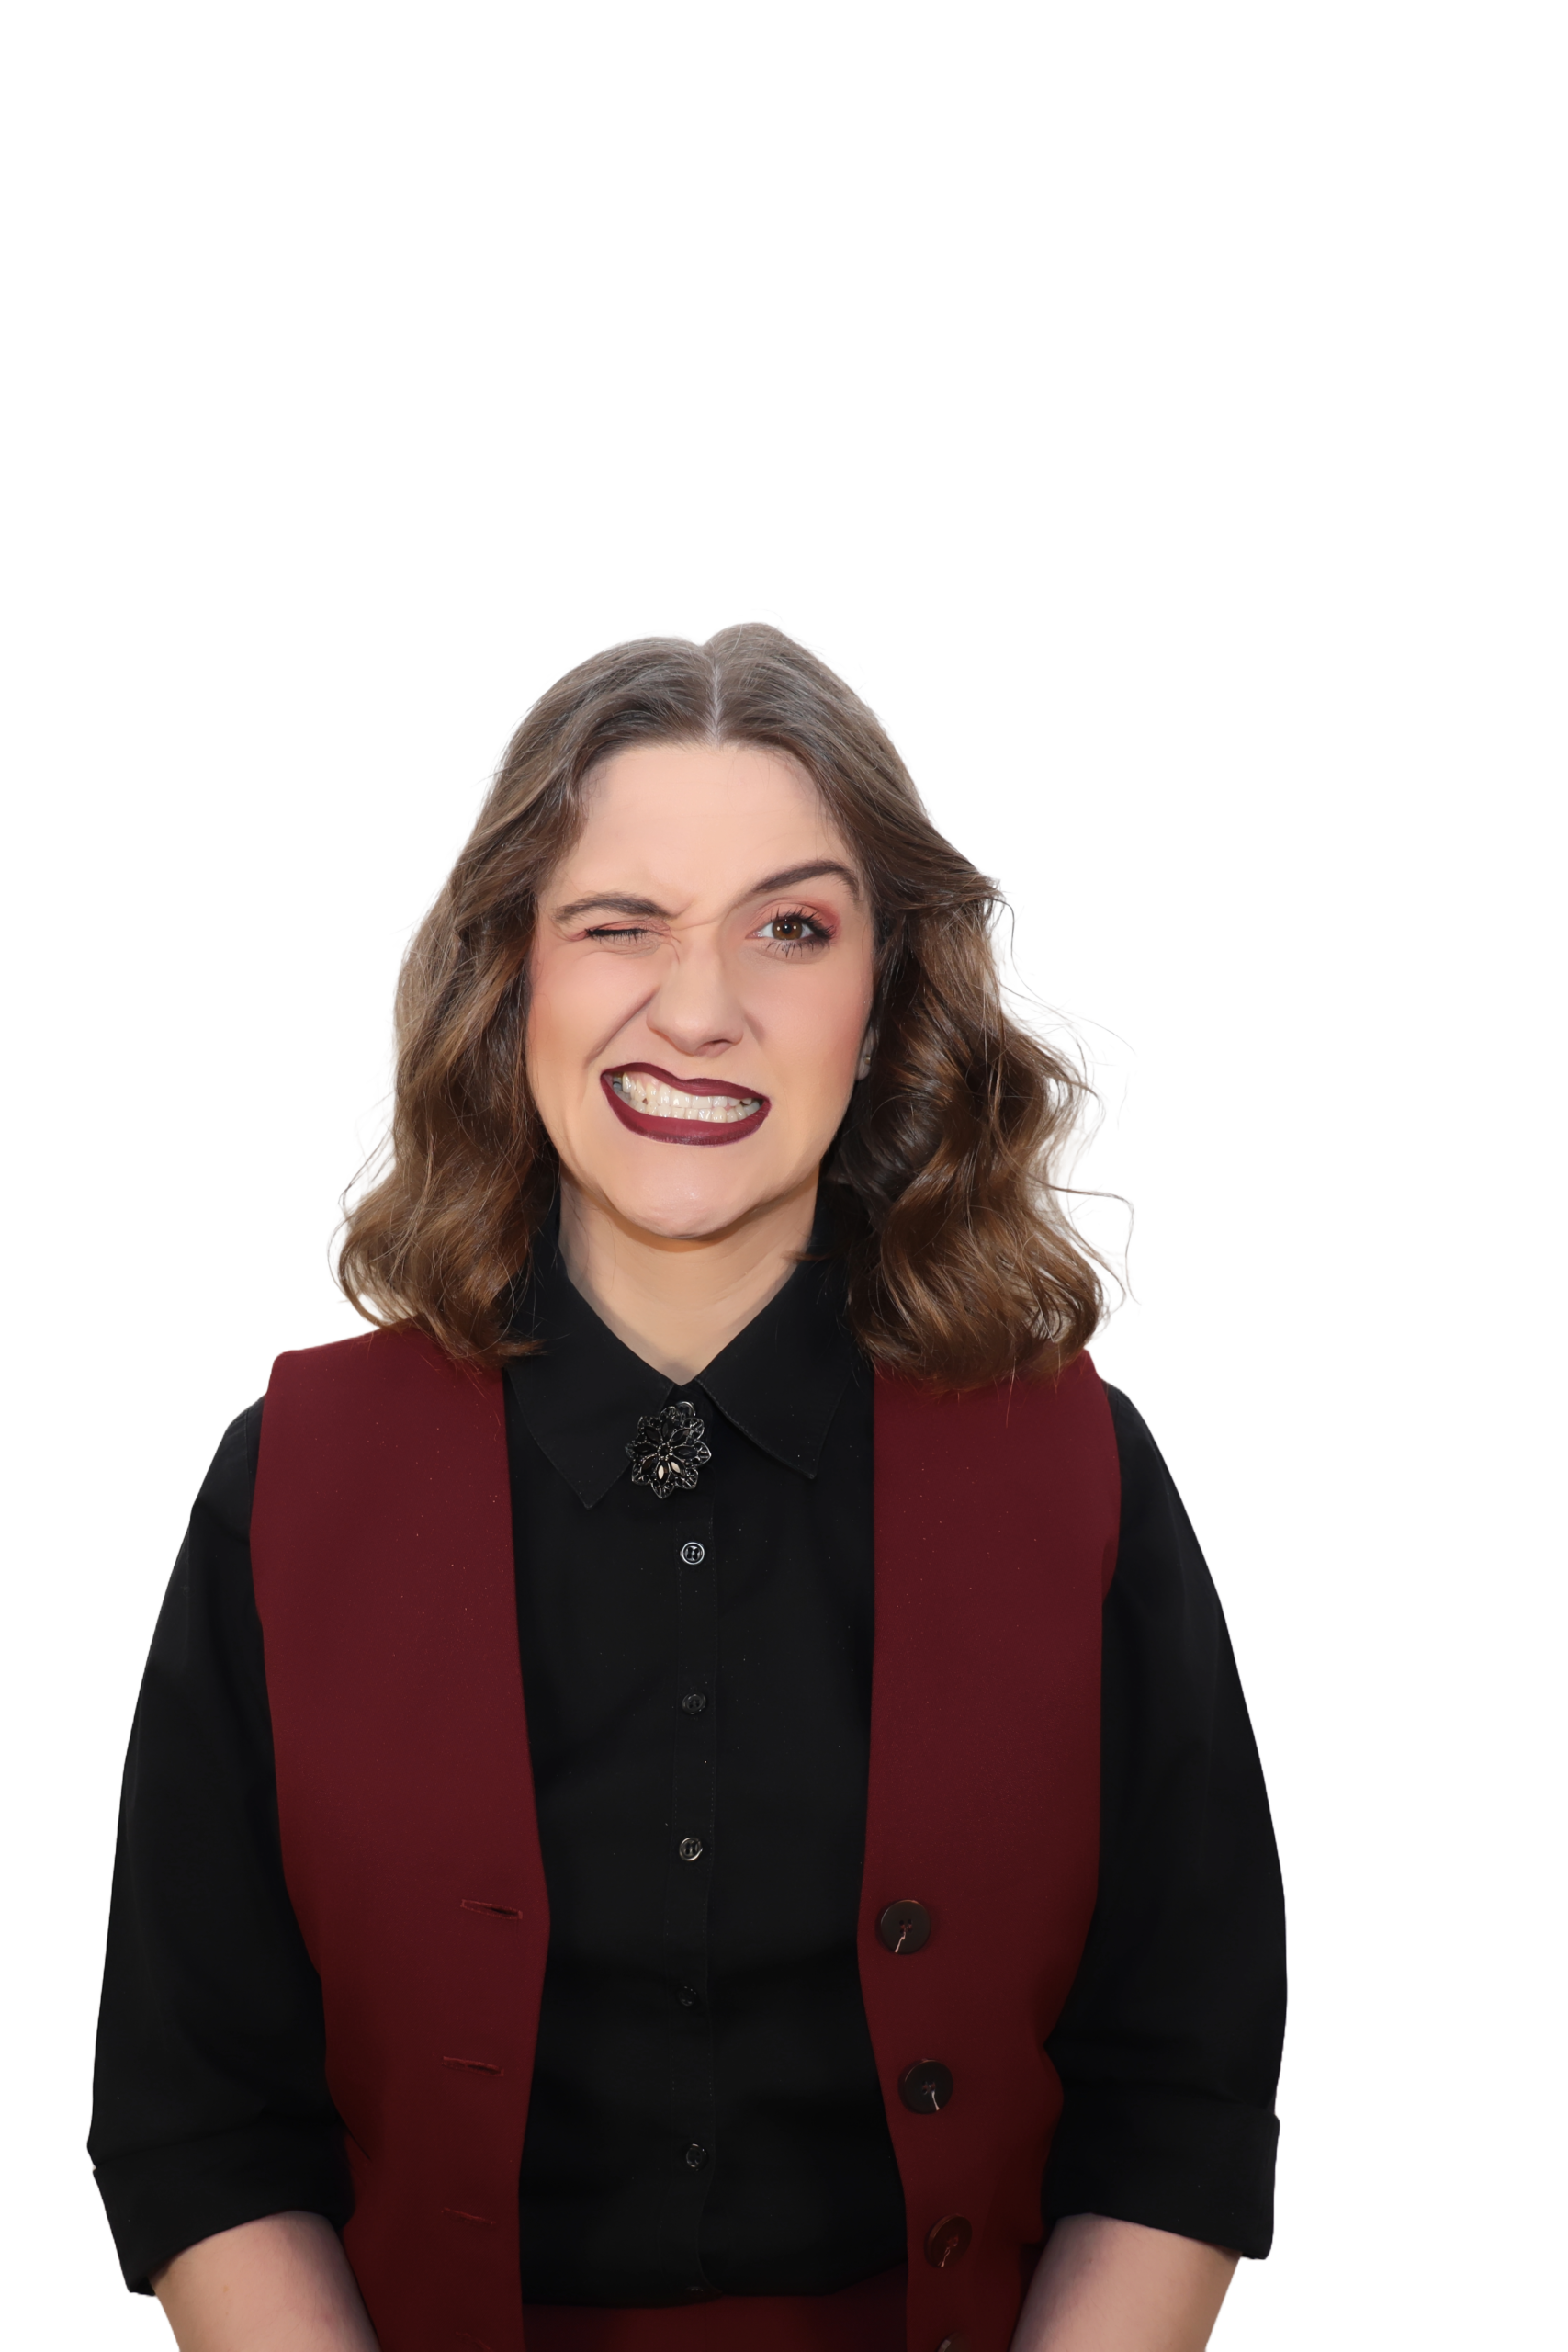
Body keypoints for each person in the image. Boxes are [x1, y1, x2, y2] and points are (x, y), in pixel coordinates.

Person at [88, 620, 1287, 2352]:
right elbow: (197, 2120)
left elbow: (1182, 2095)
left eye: (790, 929)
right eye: (618, 924)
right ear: (511, 976)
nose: (703, 1009)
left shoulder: (1078, 1465)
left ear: (882, 1001)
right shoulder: (289, 1478)